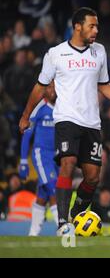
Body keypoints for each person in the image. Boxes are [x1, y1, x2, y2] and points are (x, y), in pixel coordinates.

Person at [19, 7, 110, 236]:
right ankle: (63, 223)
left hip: (92, 122)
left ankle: (75, 215)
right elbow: (40, 86)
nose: (96, 30)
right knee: (68, 163)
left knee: (93, 177)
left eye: (97, 26)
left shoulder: (99, 52)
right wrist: (26, 115)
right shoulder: (56, 53)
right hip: (66, 119)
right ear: (77, 26)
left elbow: (103, 84)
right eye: (91, 26)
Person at [19, 81, 59, 236]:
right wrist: (23, 161)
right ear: (43, 90)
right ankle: (64, 230)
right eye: (49, 87)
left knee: (43, 193)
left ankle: (33, 234)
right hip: (42, 154)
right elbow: (27, 133)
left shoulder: (63, 107)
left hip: (58, 156)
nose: (52, 90)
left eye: (55, 86)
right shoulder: (39, 108)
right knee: (54, 188)